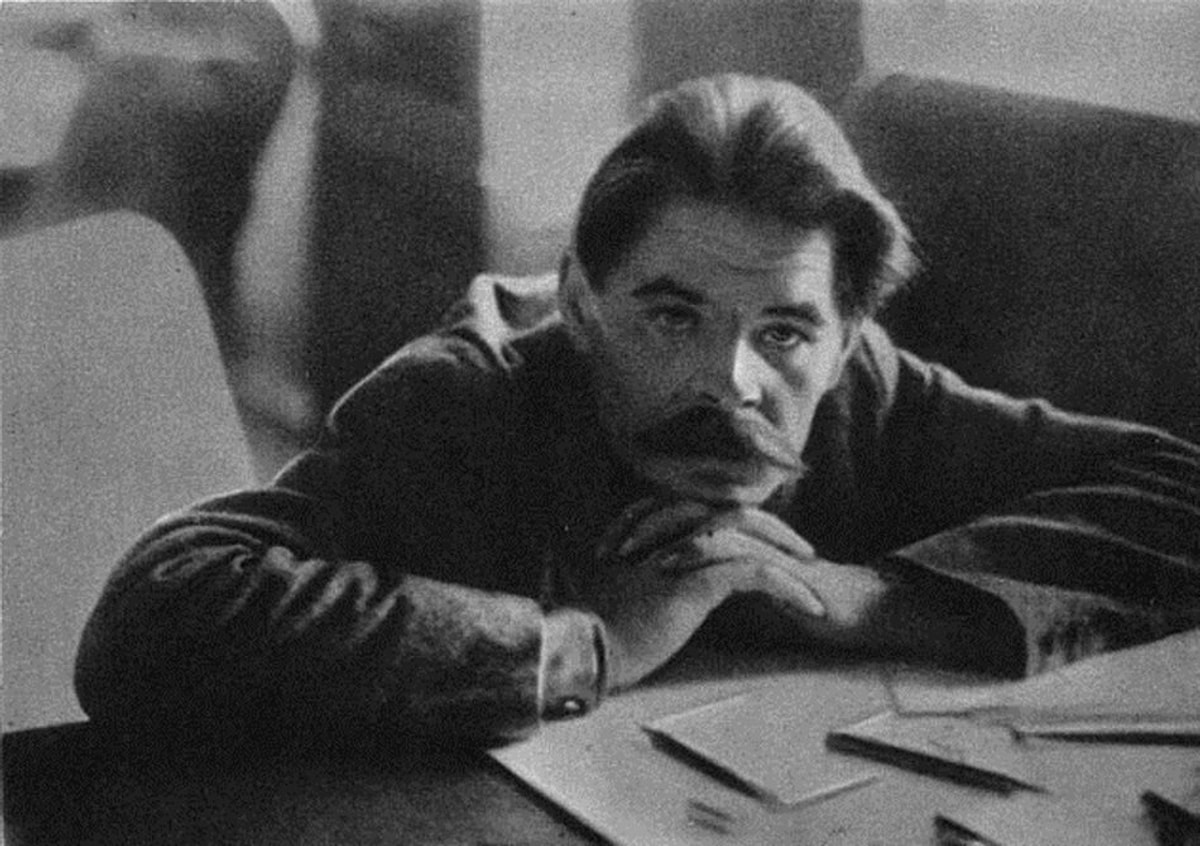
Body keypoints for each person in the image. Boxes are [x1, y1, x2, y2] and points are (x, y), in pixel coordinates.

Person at [75, 74, 1200, 745]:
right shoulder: (463, 401)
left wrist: (878, 602)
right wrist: (587, 644)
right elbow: (154, 613)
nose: (733, 382)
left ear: (847, 335)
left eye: (785, 333)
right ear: (579, 302)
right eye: (672, 317)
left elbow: (1181, 488)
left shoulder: (865, 389)